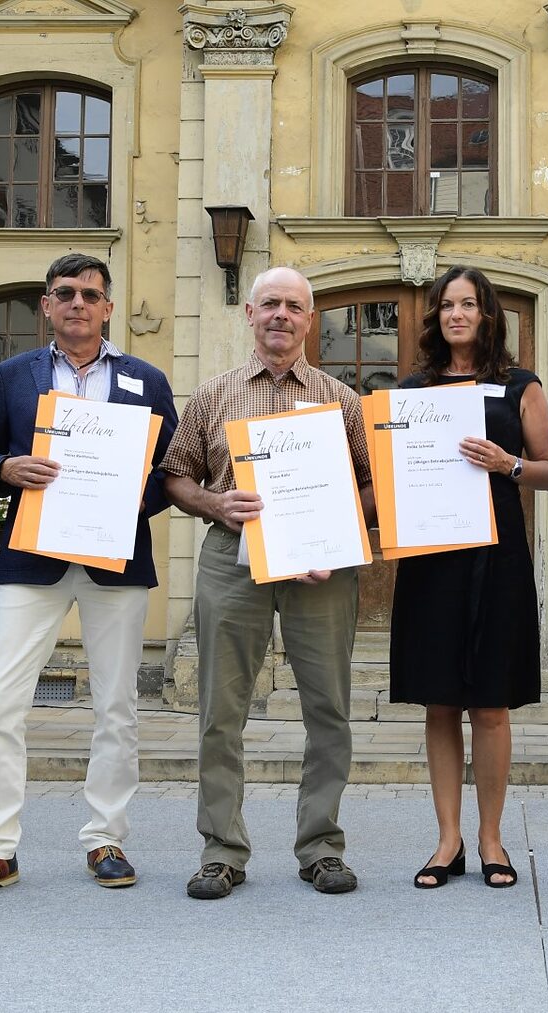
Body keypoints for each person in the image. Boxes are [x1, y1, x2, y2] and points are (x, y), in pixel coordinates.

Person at [0, 254, 177, 899]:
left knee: (117, 707)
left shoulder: (145, 378)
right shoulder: (14, 377)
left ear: (108, 307)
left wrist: (141, 497)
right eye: (65, 293)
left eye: (91, 294)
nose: (78, 303)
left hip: (116, 561)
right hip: (31, 557)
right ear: (46, 305)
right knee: (2, 701)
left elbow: (172, 467)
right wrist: (4, 470)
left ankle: (106, 837)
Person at [163, 266, 375, 899]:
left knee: (328, 708)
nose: (282, 315)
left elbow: (373, 482)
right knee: (220, 711)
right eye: (270, 305)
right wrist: (214, 506)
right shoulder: (212, 394)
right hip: (233, 557)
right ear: (249, 315)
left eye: (295, 307)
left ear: (311, 320)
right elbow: (174, 475)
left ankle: (321, 847)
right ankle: (222, 850)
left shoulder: (340, 398)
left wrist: (335, 526)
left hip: (322, 567)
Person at [388, 267, 548, 889]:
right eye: (445, 306)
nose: (456, 314)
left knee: (489, 705)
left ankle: (492, 839)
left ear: (488, 315)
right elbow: (393, 476)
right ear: (434, 317)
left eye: (468, 304)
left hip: (498, 558)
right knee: (439, 703)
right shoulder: (412, 389)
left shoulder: (520, 386)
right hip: (433, 556)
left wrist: (509, 463)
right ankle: (447, 841)